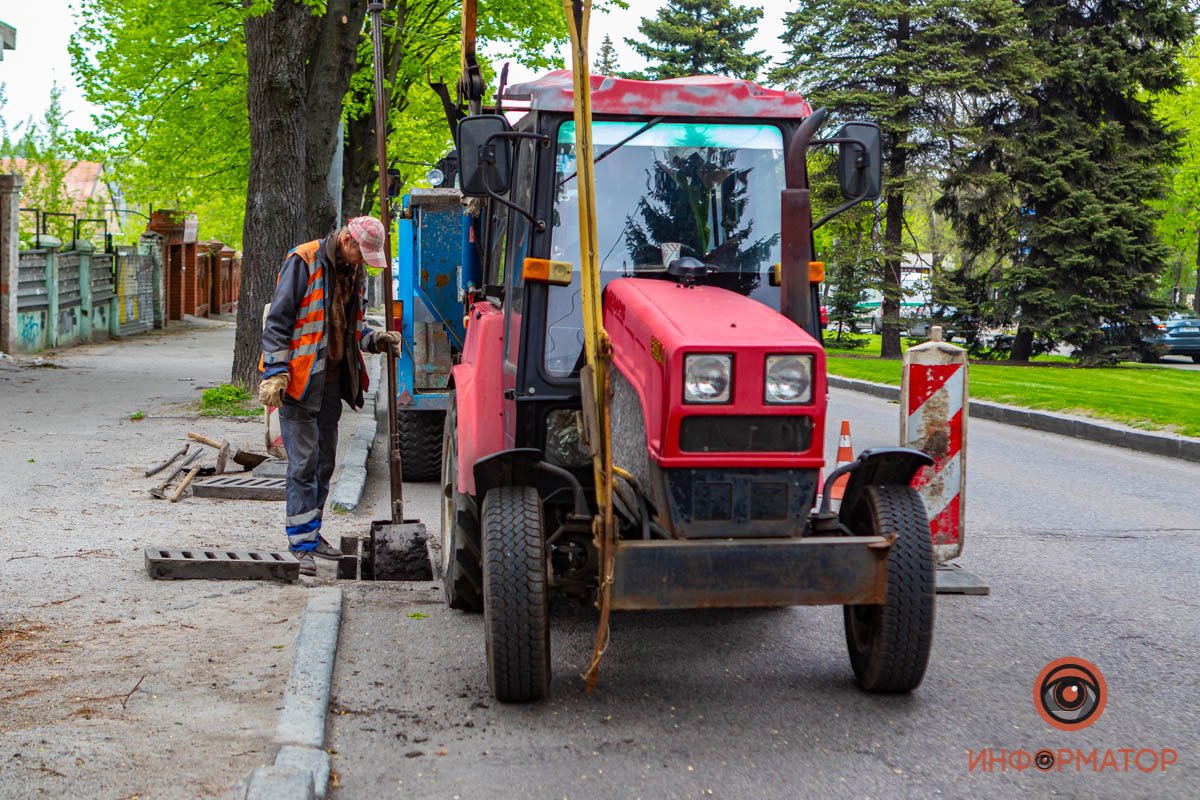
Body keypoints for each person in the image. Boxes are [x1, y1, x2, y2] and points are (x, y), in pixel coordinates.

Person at [257, 216, 402, 576]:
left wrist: (374, 339)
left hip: (331, 383)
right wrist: (275, 373)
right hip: (299, 382)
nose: (362, 262)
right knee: (303, 463)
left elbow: (348, 326)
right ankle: (301, 544)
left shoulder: (352, 273)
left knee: (323, 463)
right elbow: (278, 322)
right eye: (361, 254)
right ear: (348, 241)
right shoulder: (303, 261)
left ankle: (312, 532)